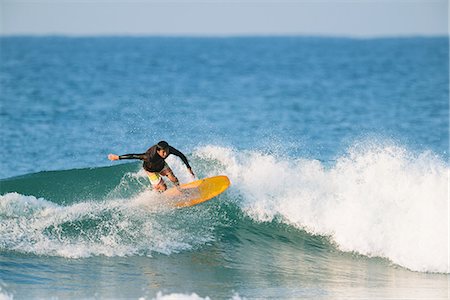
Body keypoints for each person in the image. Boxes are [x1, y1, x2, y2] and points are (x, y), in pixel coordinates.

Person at [108, 141, 195, 192]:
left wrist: (188, 168)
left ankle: (180, 191)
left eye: (167, 151)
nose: (165, 154)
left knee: (173, 178)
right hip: (150, 170)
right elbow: (133, 156)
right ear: (158, 151)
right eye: (163, 152)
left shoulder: (169, 150)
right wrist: (118, 157)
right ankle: (158, 196)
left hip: (161, 165)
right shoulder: (149, 156)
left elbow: (181, 155)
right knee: (163, 188)